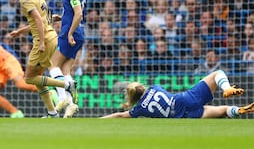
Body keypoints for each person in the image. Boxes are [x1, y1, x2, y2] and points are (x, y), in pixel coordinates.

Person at [9, 0, 78, 118]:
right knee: (39, 79)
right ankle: (52, 112)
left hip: (44, 40)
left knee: (29, 78)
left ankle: (66, 85)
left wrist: (39, 42)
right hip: (51, 36)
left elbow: (39, 20)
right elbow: (43, 18)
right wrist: (20, 31)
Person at [101, 70, 254, 119]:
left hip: (185, 116)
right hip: (185, 99)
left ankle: (238, 110)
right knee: (217, 74)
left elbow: (120, 115)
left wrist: (101, 119)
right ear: (141, 87)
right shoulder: (154, 87)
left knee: (221, 111)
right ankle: (226, 88)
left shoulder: (139, 109)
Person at [49, 0, 88, 118]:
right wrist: (63, 16)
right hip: (79, 34)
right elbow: (74, 13)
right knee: (65, 70)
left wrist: (69, 32)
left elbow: (78, 14)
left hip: (70, 34)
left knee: (51, 64)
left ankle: (63, 98)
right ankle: (71, 105)